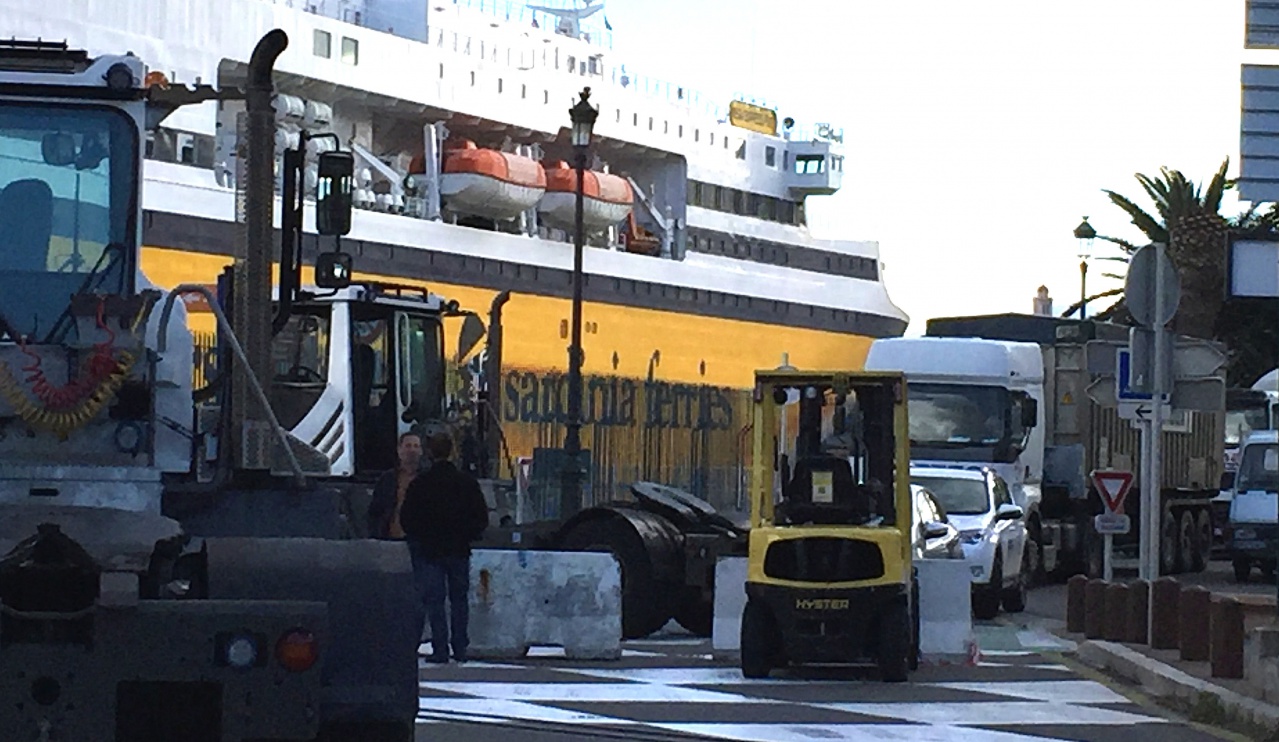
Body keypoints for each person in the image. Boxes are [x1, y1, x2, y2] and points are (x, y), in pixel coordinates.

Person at [399, 432, 490, 663]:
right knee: (459, 600)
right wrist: (468, 535)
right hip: (459, 549)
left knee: (435, 600)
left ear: (429, 453)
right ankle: (460, 646)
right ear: (452, 452)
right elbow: (480, 516)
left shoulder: (421, 484)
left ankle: (440, 648)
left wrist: (419, 538)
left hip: (429, 550)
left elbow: (407, 518)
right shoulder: (466, 483)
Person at [367, 432, 423, 540]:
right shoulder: (387, 479)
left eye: (416, 446)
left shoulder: (427, 478)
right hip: (391, 537)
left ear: (421, 451)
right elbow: (375, 510)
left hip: (419, 541)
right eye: (408, 446)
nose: (412, 450)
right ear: (399, 450)